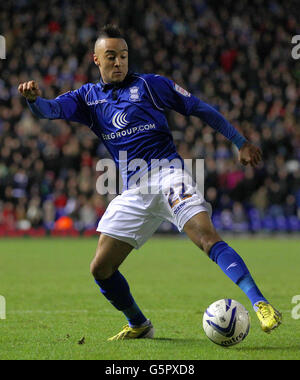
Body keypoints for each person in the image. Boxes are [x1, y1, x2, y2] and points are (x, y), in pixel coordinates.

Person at [18, 24, 282, 340]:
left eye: (124, 56)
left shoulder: (151, 85)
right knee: (100, 269)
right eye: (111, 57)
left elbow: (200, 108)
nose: (118, 63)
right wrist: (34, 100)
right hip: (134, 190)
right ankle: (139, 325)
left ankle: (261, 303)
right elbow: (51, 110)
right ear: (96, 60)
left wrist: (240, 142)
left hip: (169, 175)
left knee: (206, 238)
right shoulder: (87, 98)